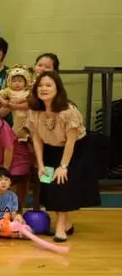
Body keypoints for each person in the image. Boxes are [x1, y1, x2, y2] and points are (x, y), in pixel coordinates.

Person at [26, 72, 101, 241]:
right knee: (47, 184)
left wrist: (63, 166)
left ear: (57, 89)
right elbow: (36, 139)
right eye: (40, 85)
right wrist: (41, 164)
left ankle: (60, 228)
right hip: (50, 149)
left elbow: (71, 142)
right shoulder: (34, 111)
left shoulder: (68, 111)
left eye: (48, 85)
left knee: (61, 184)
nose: (43, 89)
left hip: (75, 151)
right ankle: (67, 222)